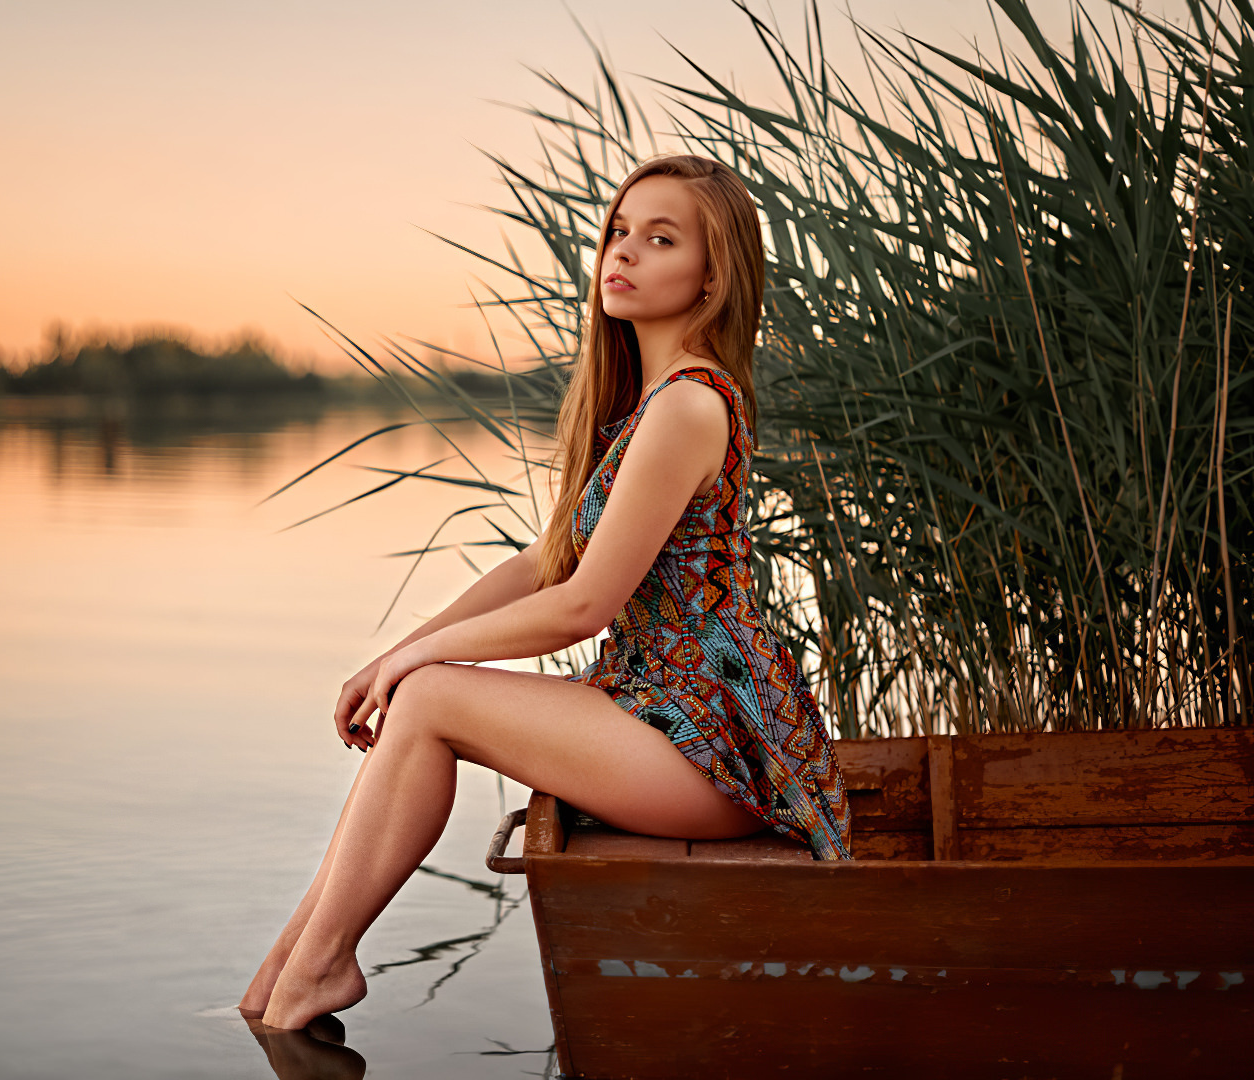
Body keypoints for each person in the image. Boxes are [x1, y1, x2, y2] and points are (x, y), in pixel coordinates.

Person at [239, 155, 851, 1033]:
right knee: (420, 693)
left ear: (712, 276)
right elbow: (546, 562)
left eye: (660, 237)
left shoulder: (688, 406)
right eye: (618, 231)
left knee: (432, 694)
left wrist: (419, 658)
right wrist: (392, 654)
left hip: (717, 750)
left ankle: (312, 973)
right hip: (657, 715)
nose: (623, 251)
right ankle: (289, 976)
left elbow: (581, 606)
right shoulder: (646, 407)